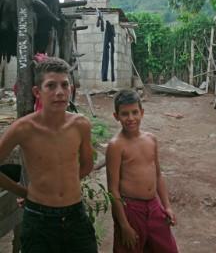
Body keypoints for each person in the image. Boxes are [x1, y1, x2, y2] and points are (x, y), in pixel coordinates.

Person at [0, 57, 98, 252]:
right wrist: (24, 192)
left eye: (64, 85)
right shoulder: (22, 128)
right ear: (37, 92)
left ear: (71, 88)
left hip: (75, 214)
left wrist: (66, 182)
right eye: (51, 86)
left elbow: (87, 164)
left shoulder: (80, 125)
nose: (59, 92)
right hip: (38, 218)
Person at [106, 89, 178, 253]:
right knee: (130, 247)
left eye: (134, 112)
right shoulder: (116, 146)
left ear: (142, 113)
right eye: (124, 114)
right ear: (116, 116)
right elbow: (113, 190)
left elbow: (158, 175)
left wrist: (167, 206)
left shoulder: (151, 139)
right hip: (130, 209)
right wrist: (124, 225)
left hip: (154, 206)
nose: (130, 118)